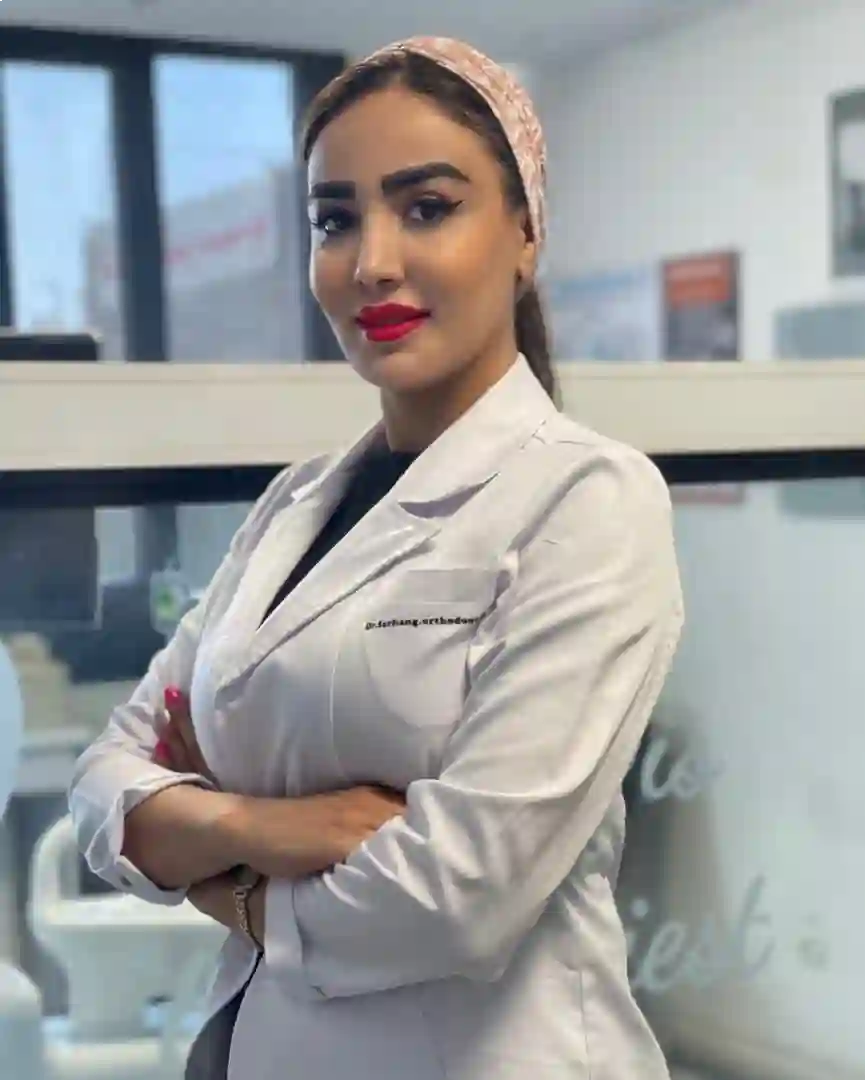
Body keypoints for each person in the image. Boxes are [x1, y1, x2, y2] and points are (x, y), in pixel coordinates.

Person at [69, 36, 684, 1080]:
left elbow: (455, 901)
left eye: (428, 207)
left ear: (525, 232)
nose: (372, 263)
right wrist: (274, 825)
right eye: (334, 220)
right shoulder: (293, 507)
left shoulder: (587, 499)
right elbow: (103, 784)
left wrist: (219, 873)